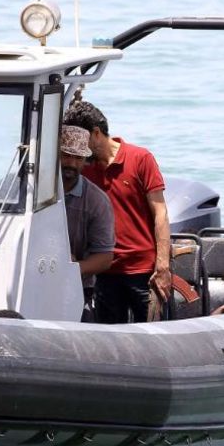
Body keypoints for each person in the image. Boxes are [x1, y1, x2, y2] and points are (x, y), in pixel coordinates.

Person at [63, 101, 170, 323]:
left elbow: (160, 212)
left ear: (95, 133)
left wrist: (162, 265)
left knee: (152, 336)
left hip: (142, 271)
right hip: (103, 272)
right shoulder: (83, 168)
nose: (77, 148)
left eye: (81, 139)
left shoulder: (140, 158)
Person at [59, 125, 115, 319]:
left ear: (85, 161)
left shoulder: (97, 201)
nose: (71, 164)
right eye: (66, 155)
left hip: (77, 287)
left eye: (78, 158)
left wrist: (69, 269)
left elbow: (105, 257)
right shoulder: (26, 189)